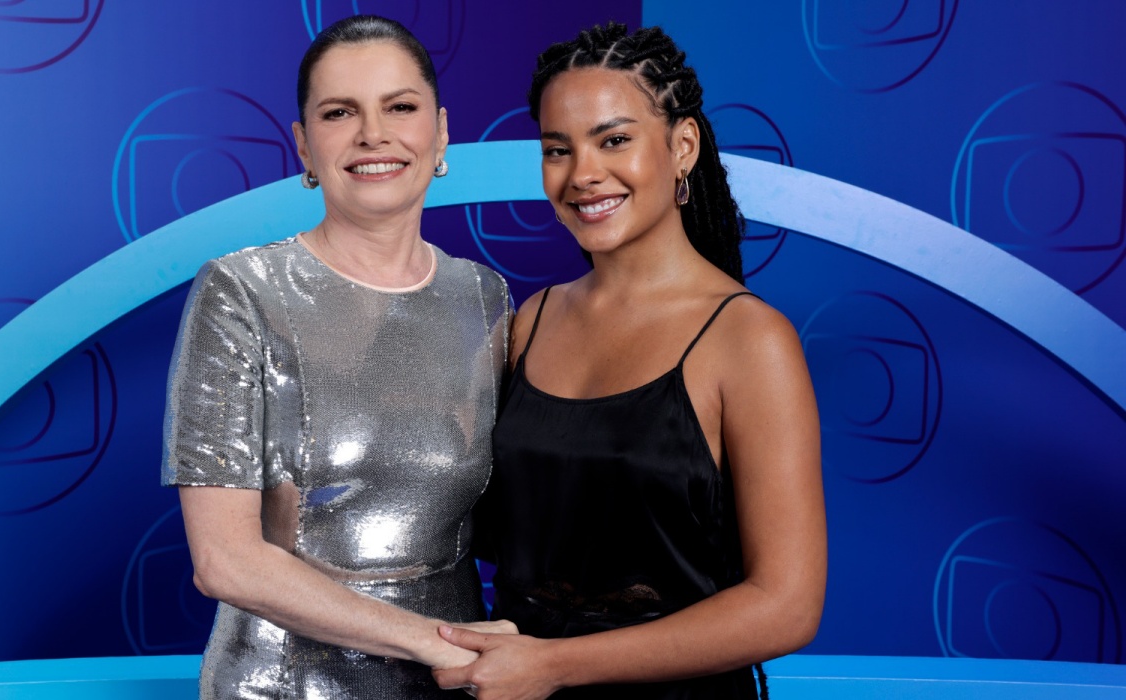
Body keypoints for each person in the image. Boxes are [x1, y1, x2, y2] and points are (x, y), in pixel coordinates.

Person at [433, 23, 827, 700]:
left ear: (682, 147)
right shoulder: (529, 322)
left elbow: (786, 605)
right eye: (558, 149)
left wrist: (553, 665)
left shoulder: (750, 340)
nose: (583, 174)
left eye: (614, 139)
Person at [162, 15, 513, 699]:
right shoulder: (240, 292)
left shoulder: (485, 296)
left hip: (458, 685)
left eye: (399, 108)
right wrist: (431, 645)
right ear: (303, 145)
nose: (373, 135)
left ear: (439, 133)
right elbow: (224, 562)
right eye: (339, 112)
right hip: (286, 684)